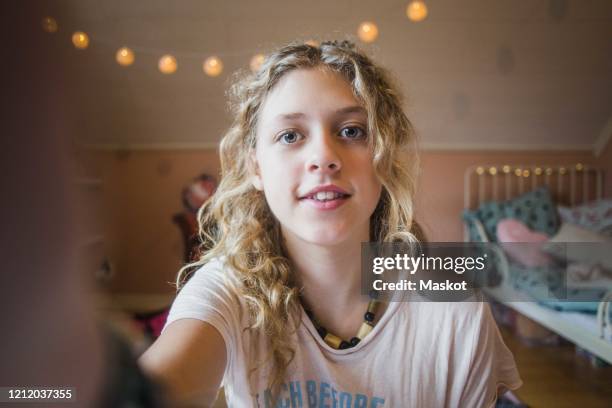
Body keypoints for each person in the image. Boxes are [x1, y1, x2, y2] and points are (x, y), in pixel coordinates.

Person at [138, 40, 522, 407]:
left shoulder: (455, 311)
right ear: (255, 166)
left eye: (351, 131)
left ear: (384, 155)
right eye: (290, 135)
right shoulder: (227, 292)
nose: (323, 156)